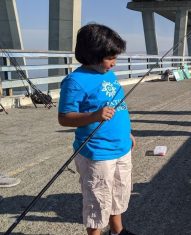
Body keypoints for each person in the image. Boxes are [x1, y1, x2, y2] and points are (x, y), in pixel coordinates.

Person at [58, 24, 136, 235]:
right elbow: (64, 118)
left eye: (115, 58)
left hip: (121, 146)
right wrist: (94, 116)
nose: (113, 63)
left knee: (120, 191)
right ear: (92, 54)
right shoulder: (75, 81)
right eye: (109, 58)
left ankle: (118, 231)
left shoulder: (108, 73)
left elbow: (118, 107)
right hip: (97, 152)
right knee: (98, 199)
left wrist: (126, 132)